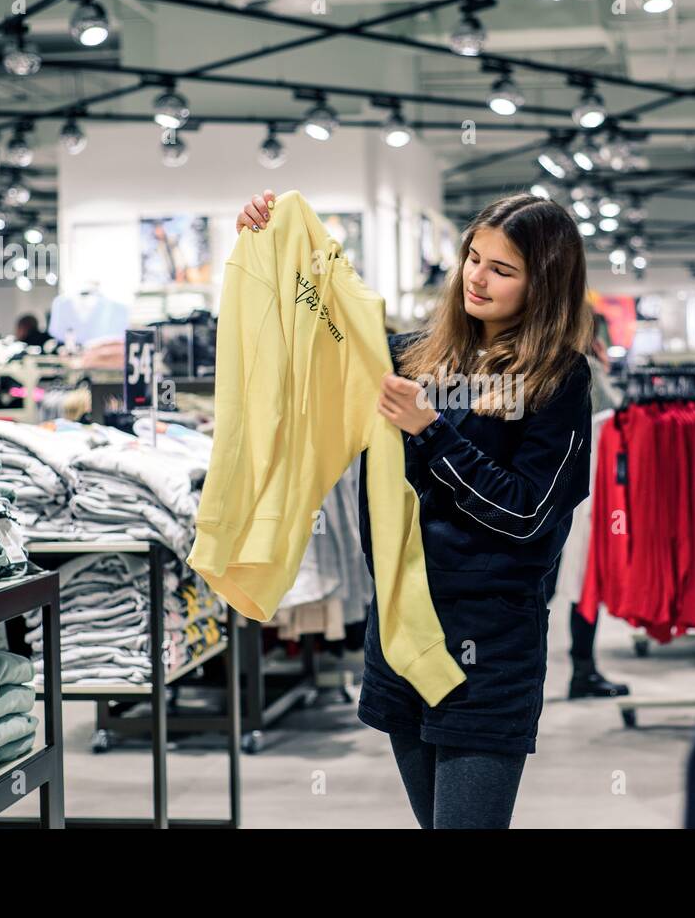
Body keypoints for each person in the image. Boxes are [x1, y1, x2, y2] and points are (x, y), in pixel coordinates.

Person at [236, 189, 594, 828]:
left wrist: (430, 431)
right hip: (399, 627)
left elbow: (527, 512)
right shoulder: (414, 355)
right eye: (473, 258)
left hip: (486, 644)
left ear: (545, 285)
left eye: (502, 269)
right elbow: (318, 324)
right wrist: (271, 243)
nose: (476, 279)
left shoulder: (558, 379)